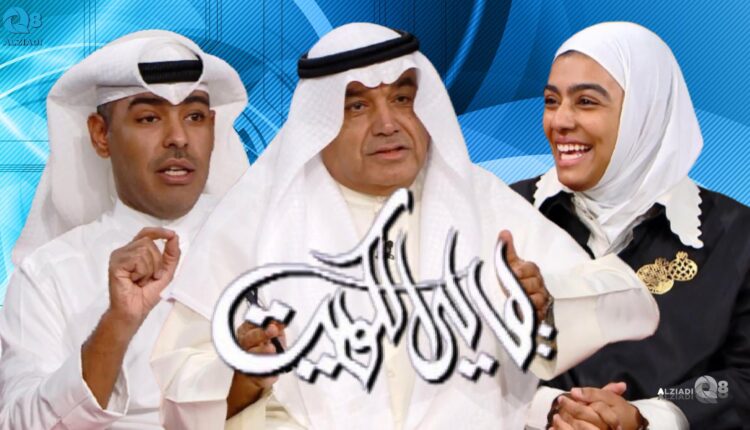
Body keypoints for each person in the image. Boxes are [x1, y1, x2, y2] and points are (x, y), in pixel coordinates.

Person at [151, 23, 659, 429]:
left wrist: (545, 302)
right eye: (357, 106)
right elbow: (176, 393)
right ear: (318, 123)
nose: (388, 123)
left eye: (402, 98)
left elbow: (628, 302)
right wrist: (244, 375)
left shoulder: (477, 199)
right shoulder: (255, 220)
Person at [0, 30, 249, 429]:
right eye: (149, 118)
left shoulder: (269, 246)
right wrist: (117, 324)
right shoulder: (47, 274)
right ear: (101, 135)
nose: (179, 138)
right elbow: (18, 423)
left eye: (195, 117)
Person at [513, 22, 750, 430]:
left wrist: (648, 416)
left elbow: (742, 379)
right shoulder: (507, 213)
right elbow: (450, 360)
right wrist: (552, 409)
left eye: (586, 102)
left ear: (646, 111)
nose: (560, 121)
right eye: (551, 101)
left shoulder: (734, 235)